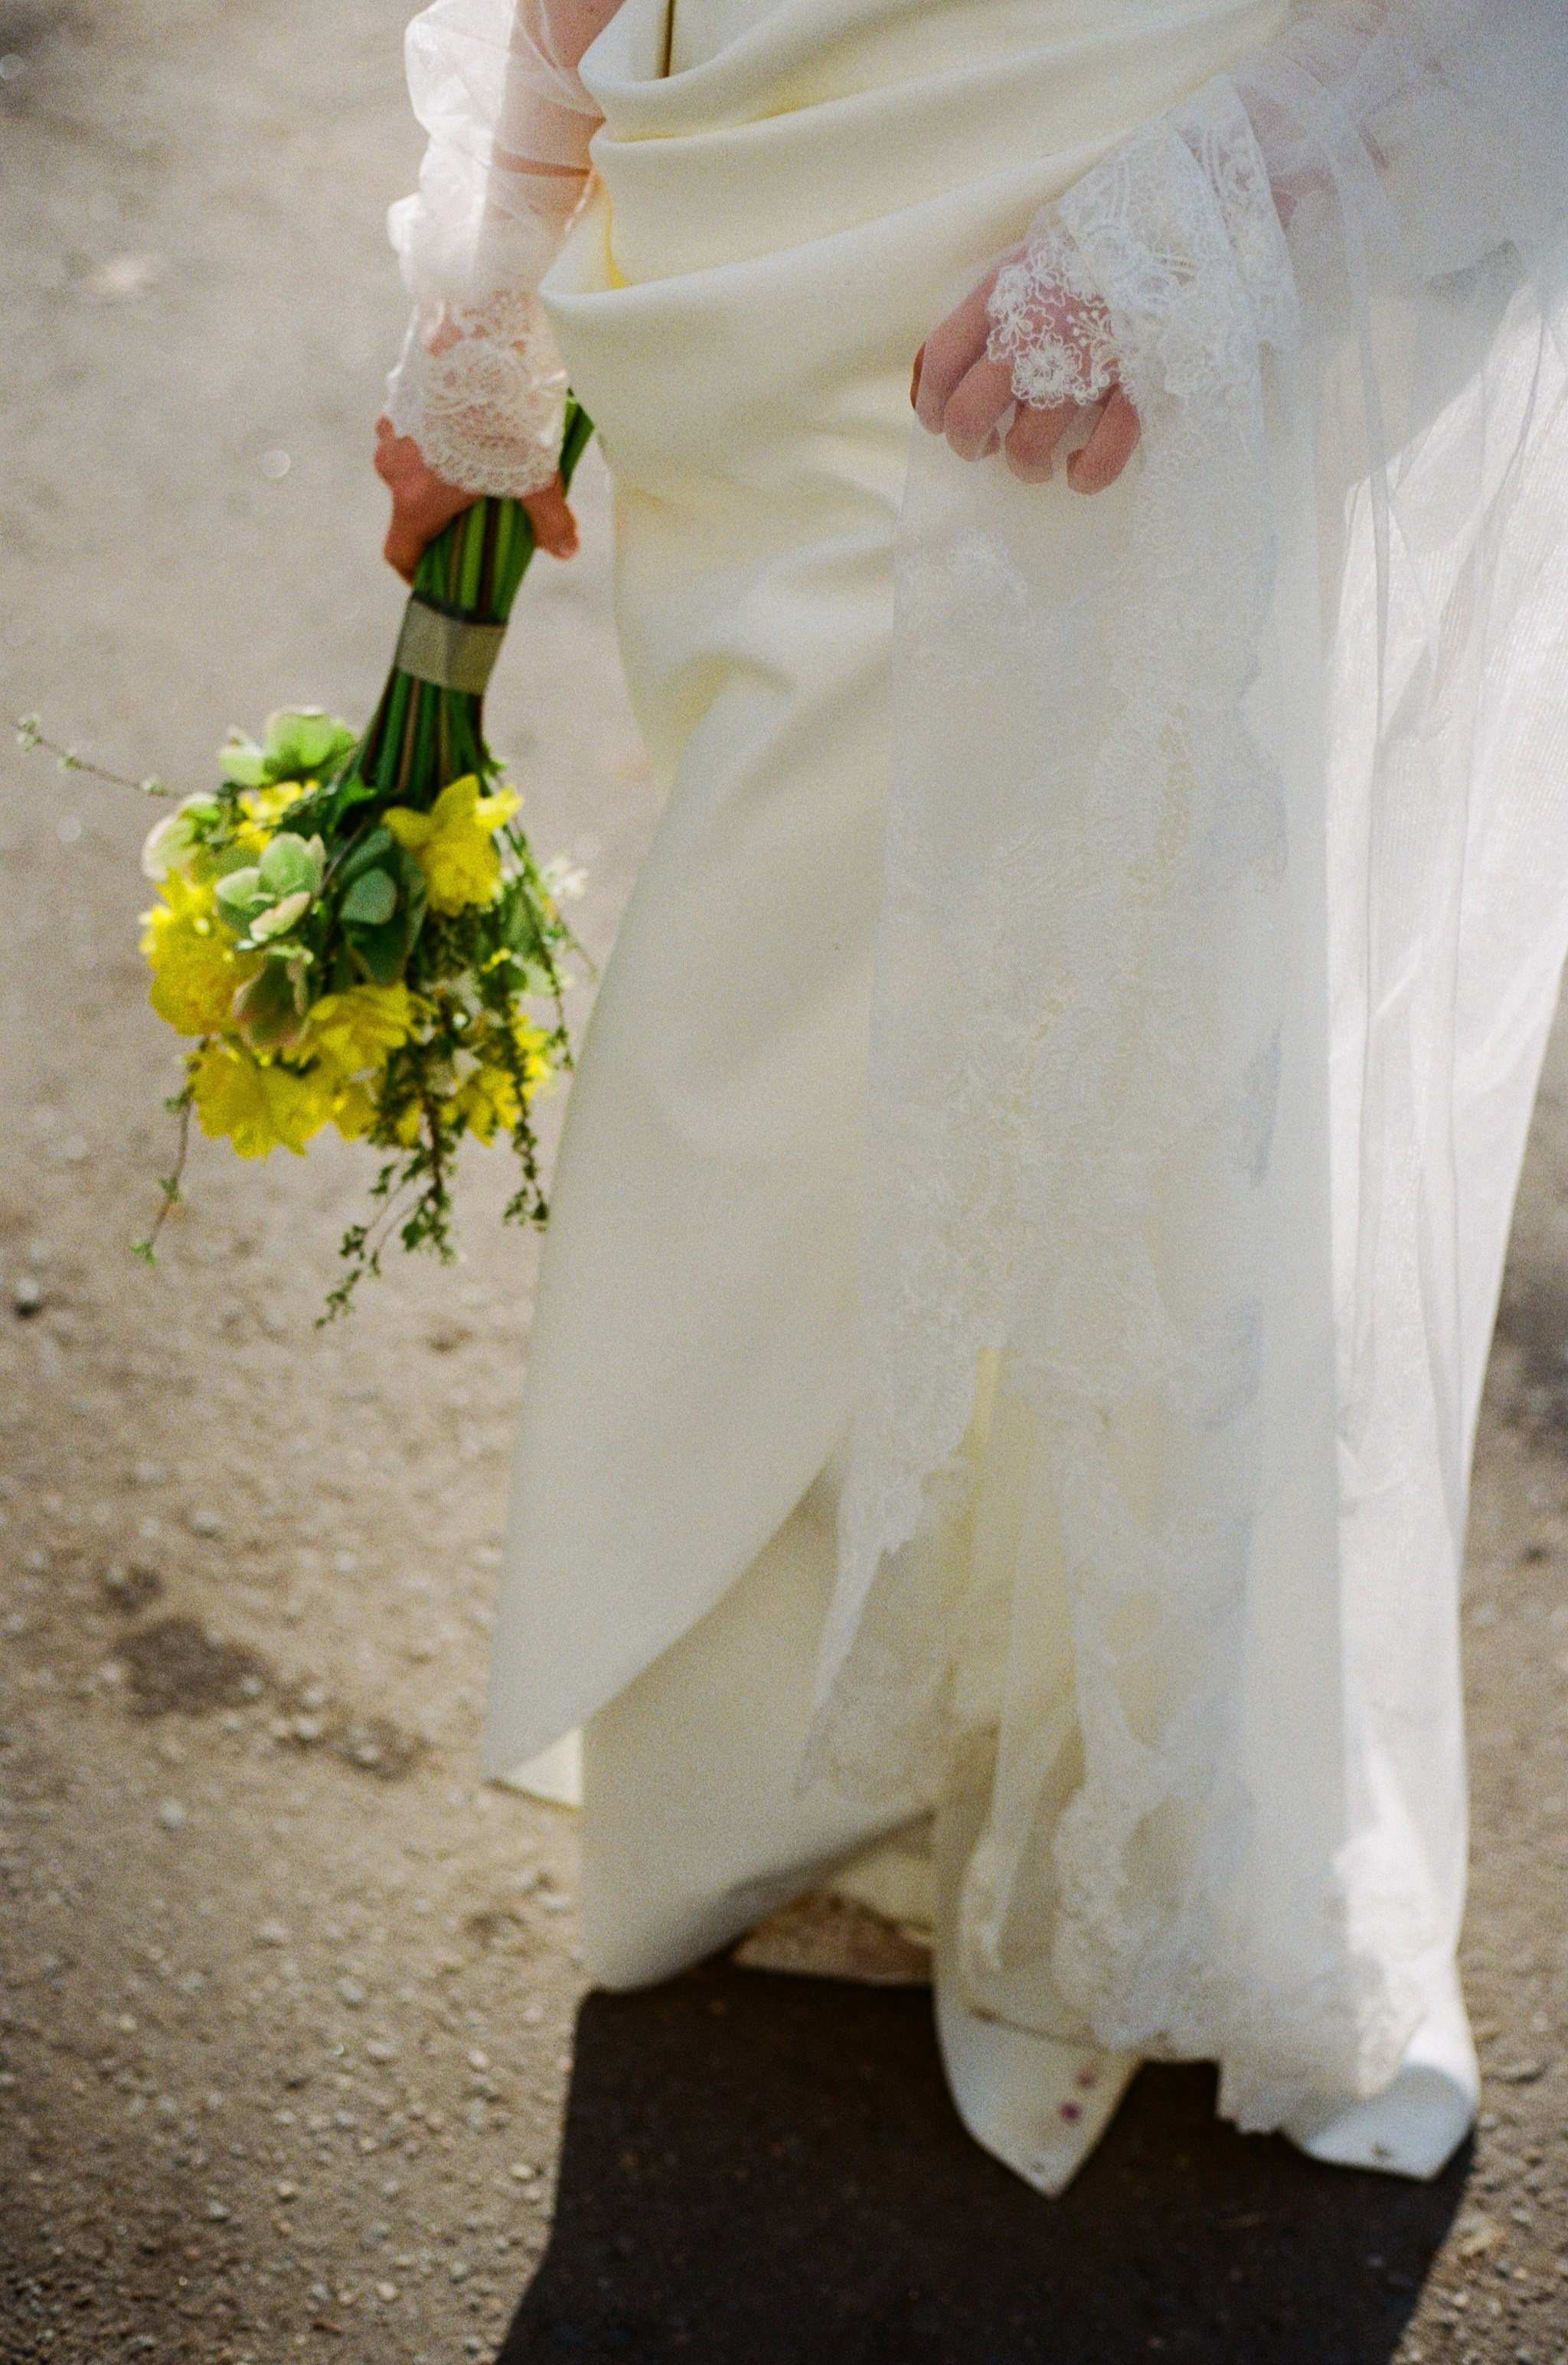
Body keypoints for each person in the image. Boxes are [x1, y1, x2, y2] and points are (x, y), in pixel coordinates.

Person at [377, 0, 1568, 2194]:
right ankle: (776, 1751)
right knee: (775, 986)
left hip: (1092, 139)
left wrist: (1236, 189)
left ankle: (1058, 1759)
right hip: (759, 178)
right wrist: (500, 252)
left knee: (1095, 966)